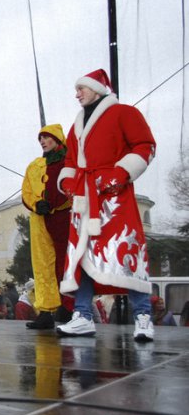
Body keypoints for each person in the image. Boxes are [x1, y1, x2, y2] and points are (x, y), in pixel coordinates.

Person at [55, 69, 157, 342]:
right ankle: (83, 315)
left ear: (98, 89)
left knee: (127, 253)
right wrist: (67, 182)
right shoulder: (77, 124)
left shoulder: (124, 113)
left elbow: (145, 145)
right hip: (84, 198)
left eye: (81, 89)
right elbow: (70, 161)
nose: (77, 94)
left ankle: (143, 317)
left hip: (114, 196)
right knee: (82, 257)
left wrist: (121, 174)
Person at [21, 124, 73, 329]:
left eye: (46, 137)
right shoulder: (35, 166)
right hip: (40, 219)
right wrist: (36, 203)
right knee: (42, 266)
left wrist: (64, 203)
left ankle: (70, 307)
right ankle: (45, 310)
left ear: (58, 139)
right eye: (40, 138)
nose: (42, 141)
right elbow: (26, 191)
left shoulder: (71, 162)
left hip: (65, 217)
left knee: (66, 263)